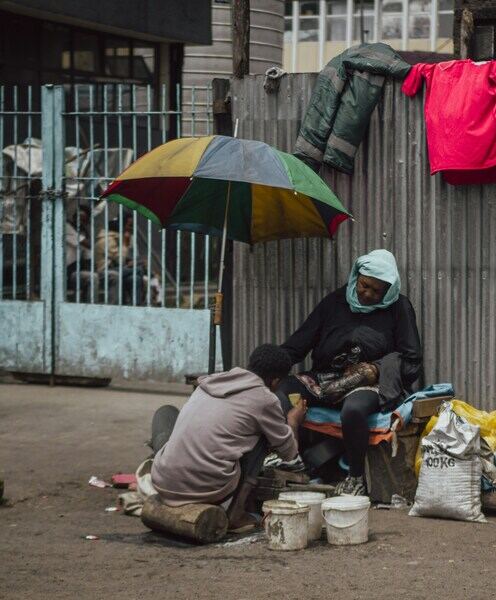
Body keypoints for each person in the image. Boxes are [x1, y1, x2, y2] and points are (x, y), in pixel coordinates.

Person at [279, 249, 423, 496]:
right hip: (325, 378)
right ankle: (287, 460)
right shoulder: (335, 302)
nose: (368, 294)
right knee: (282, 391)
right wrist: (267, 370)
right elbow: (298, 344)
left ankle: (355, 477)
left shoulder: (399, 307)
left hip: (368, 380)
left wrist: (376, 369)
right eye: (364, 286)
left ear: (388, 291)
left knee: (354, 410)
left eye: (377, 291)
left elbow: (412, 360)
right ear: (356, 277)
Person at [150, 344, 307, 529]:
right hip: (203, 489)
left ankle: (175, 470)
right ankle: (236, 512)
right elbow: (289, 454)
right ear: (275, 381)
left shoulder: (210, 382)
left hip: (162, 481)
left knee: (167, 412)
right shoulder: (265, 399)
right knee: (265, 435)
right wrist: (293, 421)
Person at [94, 213, 146, 304]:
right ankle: (140, 301)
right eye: (129, 225)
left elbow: (125, 259)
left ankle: (135, 305)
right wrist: (125, 244)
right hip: (106, 271)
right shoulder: (108, 240)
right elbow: (120, 260)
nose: (131, 229)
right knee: (139, 270)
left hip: (118, 269)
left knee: (136, 278)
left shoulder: (116, 239)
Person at [64, 206, 98, 300]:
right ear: (74, 217)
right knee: (93, 277)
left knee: (93, 275)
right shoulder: (66, 227)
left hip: (74, 270)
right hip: (64, 270)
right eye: (78, 218)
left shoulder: (83, 233)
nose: (79, 222)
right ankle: (91, 305)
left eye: (83, 220)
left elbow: (88, 256)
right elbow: (87, 244)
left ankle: (88, 302)